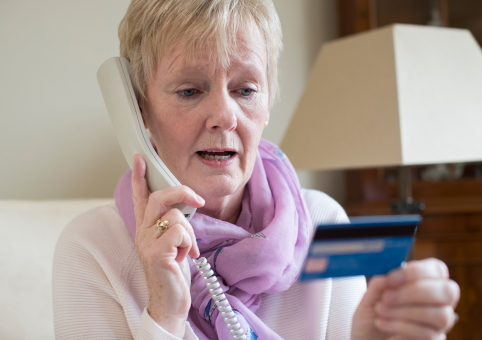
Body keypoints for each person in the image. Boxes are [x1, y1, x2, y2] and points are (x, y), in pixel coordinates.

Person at [53, 0, 460, 339]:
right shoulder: (93, 247)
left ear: (266, 106)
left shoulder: (323, 223)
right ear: (138, 112)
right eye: (190, 90)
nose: (224, 117)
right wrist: (164, 316)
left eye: (245, 90)